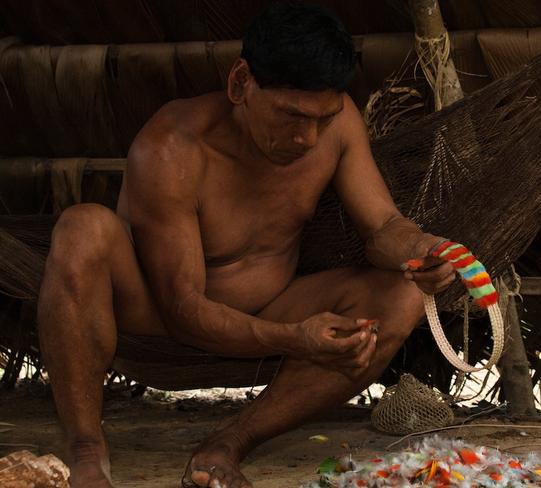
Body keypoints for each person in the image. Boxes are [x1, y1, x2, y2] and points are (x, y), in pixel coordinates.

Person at [37, 3, 455, 487]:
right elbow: (182, 308)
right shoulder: (172, 147)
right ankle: (86, 449)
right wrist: (294, 338)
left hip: (274, 304)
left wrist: (424, 247)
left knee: (402, 294)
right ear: (240, 84)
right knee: (81, 227)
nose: (306, 137)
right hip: (153, 313)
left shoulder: (337, 130)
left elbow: (382, 225)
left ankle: (226, 444)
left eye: (324, 118)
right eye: (290, 115)